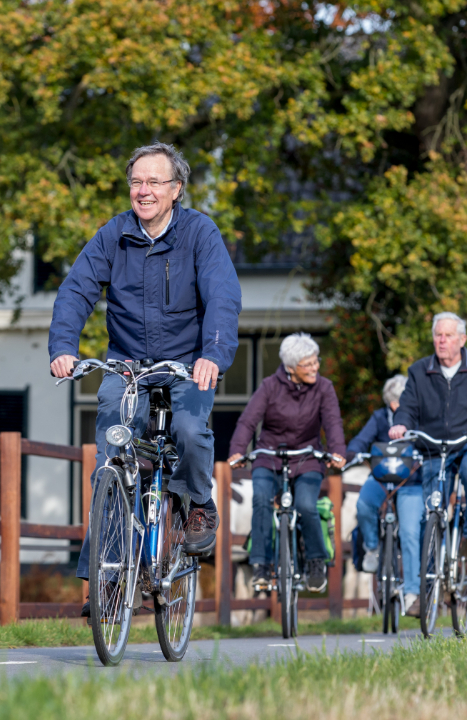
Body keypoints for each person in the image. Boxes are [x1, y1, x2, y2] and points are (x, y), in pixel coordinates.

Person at [49, 142, 242, 607]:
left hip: (185, 365)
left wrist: (213, 353)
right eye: (137, 181)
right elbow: (76, 291)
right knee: (110, 460)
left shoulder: (199, 233)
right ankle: (111, 576)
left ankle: (197, 502)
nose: (144, 190)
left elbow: (222, 295)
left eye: (155, 182)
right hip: (128, 364)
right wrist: (63, 347)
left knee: (191, 431)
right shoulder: (114, 235)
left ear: (176, 190)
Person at [388, 312, 467, 574]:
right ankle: (430, 579)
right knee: (431, 509)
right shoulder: (419, 370)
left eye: (448, 335)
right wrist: (401, 424)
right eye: (438, 335)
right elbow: (408, 407)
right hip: (435, 446)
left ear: (462, 339)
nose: (442, 340)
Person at [227, 333, 346, 593]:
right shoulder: (270, 386)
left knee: (305, 504)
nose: (315, 368)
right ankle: (260, 565)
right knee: (260, 499)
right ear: (291, 368)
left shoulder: (324, 388)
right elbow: (248, 420)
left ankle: (316, 562)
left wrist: (337, 451)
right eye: (308, 364)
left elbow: (333, 423)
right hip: (269, 455)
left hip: (308, 457)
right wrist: (237, 450)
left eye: (316, 361)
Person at [347, 375, 426, 613]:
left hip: (412, 483)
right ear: (393, 404)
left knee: (411, 533)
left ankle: (412, 593)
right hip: (381, 479)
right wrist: (350, 454)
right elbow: (361, 440)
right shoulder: (380, 418)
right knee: (363, 505)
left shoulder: (421, 419)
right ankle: (372, 547)